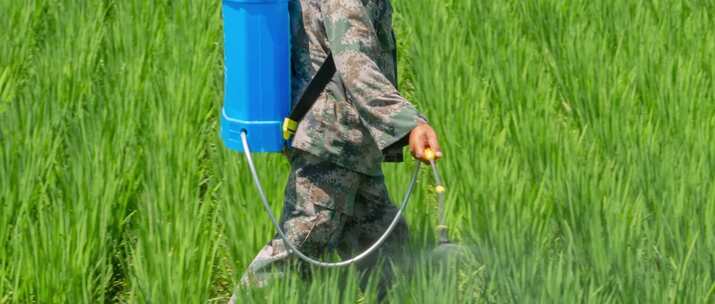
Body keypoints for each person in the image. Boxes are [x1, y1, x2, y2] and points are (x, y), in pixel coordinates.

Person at [230, 0, 442, 301]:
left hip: (349, 142)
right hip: (332, 139)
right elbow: (356, 65)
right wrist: (410, 125)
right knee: (300, 245)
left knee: (388, 249)